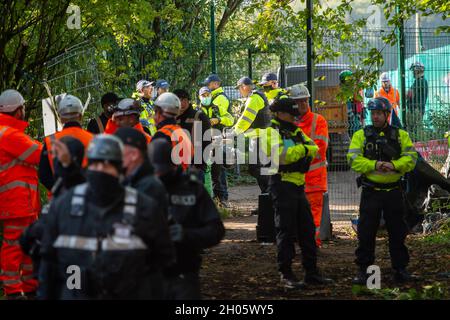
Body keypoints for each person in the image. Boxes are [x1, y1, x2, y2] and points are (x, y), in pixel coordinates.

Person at [39, 134, 175, 299]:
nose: (100, 170)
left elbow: (163, 261)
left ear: (119, 169)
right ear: (88, 166)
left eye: (107, 165)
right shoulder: (63, 206)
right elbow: (47, 263)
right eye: (95, 164)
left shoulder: (144, 207)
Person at [258, 97, 333, 289]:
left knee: (307, 231)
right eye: (292, 115)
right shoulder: (270, 132)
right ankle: (286, 274)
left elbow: (314, 148)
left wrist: (297, 152)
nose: (296, 118)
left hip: (298, 186)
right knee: (286, 231)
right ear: (280, 114)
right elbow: (281, 156)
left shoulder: (295, 131)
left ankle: (311, 273)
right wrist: (301, 150)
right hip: (281, 185)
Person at [347, 97, 419, 284]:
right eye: (373, 113)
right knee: (366, 233)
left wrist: (394, 165)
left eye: (379, 113)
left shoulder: (400, 135)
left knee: (397, 232)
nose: (375, 117)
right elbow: (353, 160)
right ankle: (365, 271)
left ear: (387, 114)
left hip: (394, 192)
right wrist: (375, 164)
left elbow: (411, 159)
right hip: (371, 193)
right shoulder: (361, 135)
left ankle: (400, 269)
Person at [148, 139, 225, 299]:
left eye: (163, 171)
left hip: (184, 273)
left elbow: (216, 231)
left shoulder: (192, 189)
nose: (159, 176)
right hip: (147, 275)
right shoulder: (140, 189)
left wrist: (186, 235)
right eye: (155, 171)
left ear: (175, 165)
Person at [0, 89, 43, 299]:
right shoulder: (8, 134)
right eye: (23, 107)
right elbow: (38, 155)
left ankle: (29, 286)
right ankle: (14, 291)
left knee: (27, 246)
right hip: (16, 202)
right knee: (14, 247)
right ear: (17, 110)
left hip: (21, 202)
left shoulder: (8, 132)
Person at [291, 84, 329, 248]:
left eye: (304, 101)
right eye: (298, 102)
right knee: (296, 216)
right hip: (296, 180)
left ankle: (312, 244)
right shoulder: (289, 122)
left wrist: (295, 154)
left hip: (314, 180)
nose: (302, 105)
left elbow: (320, 148)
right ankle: (302, 243)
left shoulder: (318, 120)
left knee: (313, 216)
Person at [39, 94, 93, 192]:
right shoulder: (93, 139)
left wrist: (59, 191)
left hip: (59, 201)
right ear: (80, 116)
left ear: (60, 118)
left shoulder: (51, 141)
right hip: (88, 196)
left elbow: (43, 175)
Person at [233, 76, 271, 195]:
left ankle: (269, 197)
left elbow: (246, 119)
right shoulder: (256, 96)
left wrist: (233, 133)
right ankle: (268, 197)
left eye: (239, 88)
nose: (239, 91)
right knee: (258, 168)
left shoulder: (254, 98)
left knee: (257, 168)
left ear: (244, 86)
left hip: (260, 138)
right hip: (261, 137)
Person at [202, 74, 234, 207]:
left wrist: (217, 120)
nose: (207, 88)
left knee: (218, 168)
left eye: (209, 84)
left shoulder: (220, 98)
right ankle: (218, 197)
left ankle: (222, 198)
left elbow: (226, 118)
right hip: (209, 137)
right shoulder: (210, 99)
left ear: (215, 84)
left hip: (218, 136)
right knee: (215, 168)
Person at [173, 88, 212, 182]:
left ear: (188, 100)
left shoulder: (199, 116)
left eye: (184, 100)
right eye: (178, 100)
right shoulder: (173, 119)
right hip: (177, 165)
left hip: (196, 165)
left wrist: (200, 164)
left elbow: (207, 141)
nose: (181, 103)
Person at [151, 92, 193, 171]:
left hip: (169, 181)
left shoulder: (162, 135)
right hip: (182, 178)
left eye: (155, 112)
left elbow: (155, 166)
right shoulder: (181, 132)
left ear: (160, 114)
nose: (154, 117)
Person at [339, 70, 364, 136]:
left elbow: (359, 100)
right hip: (351, 118)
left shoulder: (352, 90)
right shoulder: (344, 92)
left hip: (355, 114)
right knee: (356, 129)